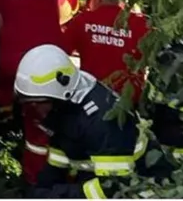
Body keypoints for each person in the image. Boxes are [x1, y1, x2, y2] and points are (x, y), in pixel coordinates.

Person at [15, 44, 173, 199]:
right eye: (29, 103)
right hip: (101, 178)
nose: (34, 109)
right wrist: (41, 189)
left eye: (38, 103)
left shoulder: (102, 120)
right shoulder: (63, 106)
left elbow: (114, 187)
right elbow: (61, 155)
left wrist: (58, 195)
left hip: (141, 187)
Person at [0, 0, 64, 187]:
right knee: (44, 124)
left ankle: (4, 131)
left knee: (2, 84)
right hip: (53, 62)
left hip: (16, 65)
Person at [62, 0, 151, 106]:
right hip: (130, 101)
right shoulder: (141, 24)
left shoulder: (83, 21)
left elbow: (61, 53)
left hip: (93, 99)